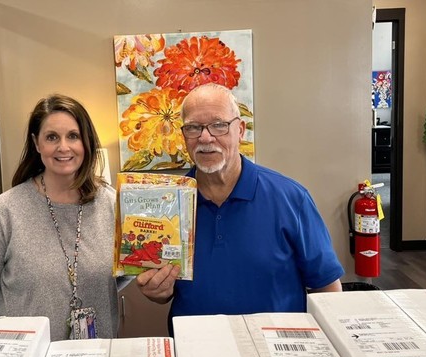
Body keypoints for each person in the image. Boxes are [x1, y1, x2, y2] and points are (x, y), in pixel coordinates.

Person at [136, 83, 343, 326]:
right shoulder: (165, 205)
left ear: (240, 130)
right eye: (193, 127)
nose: (205, 137)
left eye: (218, 125)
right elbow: (166, 290)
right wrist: (158, 291)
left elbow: (327, 287)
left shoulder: (291, 198)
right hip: (196, 349)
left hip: (278, 349)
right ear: (184, 136)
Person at [0, 94, 118, 341]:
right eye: (52, 137)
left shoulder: (110, 204)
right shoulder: (6, 210)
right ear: (37, 143)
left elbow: (123, 274)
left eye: (73, 136)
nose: (63, 147)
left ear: (86, 142)